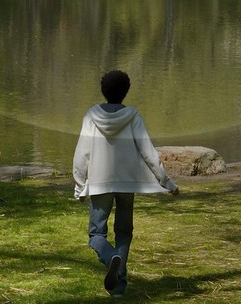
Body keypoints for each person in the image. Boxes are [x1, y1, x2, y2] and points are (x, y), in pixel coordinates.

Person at [73, 69, 179, 298]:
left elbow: (82, 153)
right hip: (127, 184)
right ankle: (118, 287)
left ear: (103, 91)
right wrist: (167, 182)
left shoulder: (91, 115)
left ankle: (111, 259)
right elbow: (148, 152)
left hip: (100, 183)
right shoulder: (133, 116)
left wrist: (80, 184)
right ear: (126, 91)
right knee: (123, 232)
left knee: (96, 236)